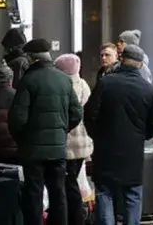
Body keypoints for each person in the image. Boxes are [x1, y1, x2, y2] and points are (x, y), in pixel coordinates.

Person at [84, 44, 153, 225]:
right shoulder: (148, 89)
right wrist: (140, 136)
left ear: (121, 59)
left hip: (105, 150)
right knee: (132, 195)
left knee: (105, 193)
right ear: (141, 65)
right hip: (133, 151)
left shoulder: (106, 83)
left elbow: (90, 114)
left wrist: (97, 135)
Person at [8, 38, 83, 225]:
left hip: (33, 150)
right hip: (58, 149)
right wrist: (61, 130)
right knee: (58, 191)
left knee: (34, 192)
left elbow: (18, 118)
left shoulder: (28, 81)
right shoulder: (64, 79)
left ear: (31, 58)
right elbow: (77, 113)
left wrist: (22, 139)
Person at [54, 53, 94, 225]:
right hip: (82, 143)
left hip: (69, 143)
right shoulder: (83, 84)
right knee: (73, 182)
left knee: (68, 184)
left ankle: (74, 219)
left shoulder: (64, 86)